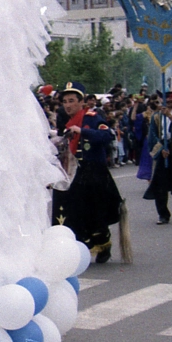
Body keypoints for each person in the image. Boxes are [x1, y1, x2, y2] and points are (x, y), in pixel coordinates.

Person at [53, 83, 124, 264]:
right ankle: (80, 249)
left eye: (71, 101)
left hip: (94, 173)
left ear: (81, 102)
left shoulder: (92, 118)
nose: (67, 105)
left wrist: (82, 131)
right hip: (77, 174)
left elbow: (108, 136)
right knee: (74, 211)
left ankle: (103, 244)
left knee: (97, 212)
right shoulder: (65, 124)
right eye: (65, 102)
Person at [144, 97, 172, 224]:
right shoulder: (156, 117)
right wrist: (161, 150)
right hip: (162, 149)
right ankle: (163, 214)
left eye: (171, 98)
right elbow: (152, 135)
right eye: (166, 99)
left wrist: (170, 116)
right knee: (160, 184)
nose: (168, 101)